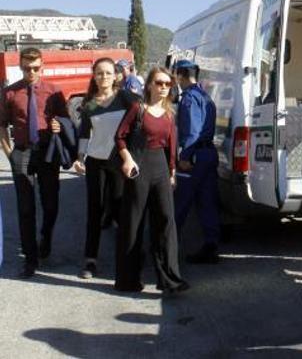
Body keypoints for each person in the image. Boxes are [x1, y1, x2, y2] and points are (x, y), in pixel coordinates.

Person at [114, 67, 188, 293]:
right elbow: (119, 137)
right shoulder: (138, 108)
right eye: (159, 83)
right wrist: (127, 159)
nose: (164, 87)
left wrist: (172, 173)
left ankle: (170, 279)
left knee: (166, 222)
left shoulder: (169, 114)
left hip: (161, 169)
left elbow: (172, 147)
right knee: (134, 224)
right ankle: (128, 280)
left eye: (168, 84)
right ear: (149, 85)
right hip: (139, 166)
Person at [0, 47, 68, 278]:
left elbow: (67, 121)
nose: (31, 72)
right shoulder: (10, 93)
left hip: (48, 153)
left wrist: (59, 124)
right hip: (22, 153)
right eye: (27, 68)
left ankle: (45, 239)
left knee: (50, 204)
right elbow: (1, 125)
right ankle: (30, 259)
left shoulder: (54, 92)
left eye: (36, 68)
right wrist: (9, 153)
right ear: (20, 66)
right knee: (25, 208)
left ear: (43, 66)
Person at [72, 57, 132, 279]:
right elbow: (85, 134)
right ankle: (90, 260)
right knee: (95, 211)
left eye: (107, 73)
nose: (103, 77)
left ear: (115, 75)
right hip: (96, 162)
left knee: (120, 210)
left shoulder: (126, 98)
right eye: (99, 73)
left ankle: (127, 257)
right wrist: (79, 157)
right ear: (94, 76)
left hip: (119, 162)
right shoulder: (89, 104)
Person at [173, 60, 221, 264]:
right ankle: (211, 246)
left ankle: (169, 249)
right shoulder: (206, 97)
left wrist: (184, 157)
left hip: (194, 156)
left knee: (181, 204)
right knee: (206, 203)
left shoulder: (189, 98)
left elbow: (192, 130)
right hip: (208, 153)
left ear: (181, 75)